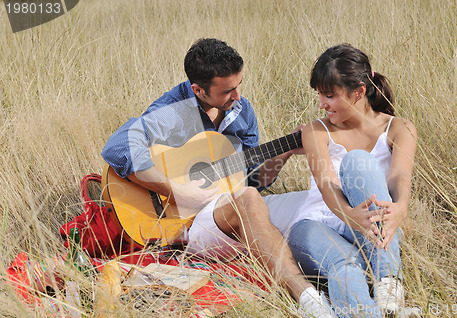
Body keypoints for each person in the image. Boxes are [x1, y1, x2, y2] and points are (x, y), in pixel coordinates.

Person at [101, 38, 335, 318]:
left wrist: (284, 153)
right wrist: (177, 191)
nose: (237, 96)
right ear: (198, 89)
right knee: (248, 200)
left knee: (321, 200)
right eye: (227, 90)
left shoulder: (241, 112)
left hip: (229, 206)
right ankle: (309, 300)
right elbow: (116, 147)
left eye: (238, 85)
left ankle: (369, 282)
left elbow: (255, 181)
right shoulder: (172, 112)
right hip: (183, 222)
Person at [270, 44, 417, 317]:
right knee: (346, 266)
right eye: (319, 95)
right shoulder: (316, 130)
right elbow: (325, 181)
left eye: (329, 95)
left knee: (358, 162)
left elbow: (400, 176)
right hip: (317, 224)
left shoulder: (399, 127)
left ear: (359, 91)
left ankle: (388, 281)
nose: (321, 104)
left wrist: (401, 208)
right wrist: (349, 216)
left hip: (374, 227)